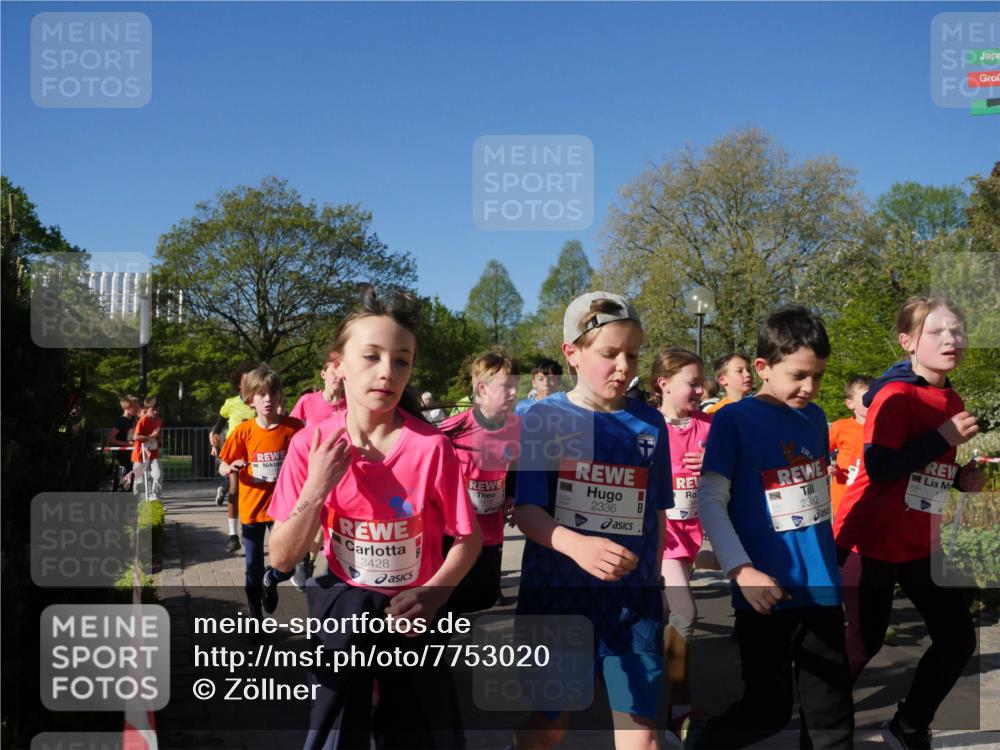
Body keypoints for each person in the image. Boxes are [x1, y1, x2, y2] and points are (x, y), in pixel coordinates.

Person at [267, 286, 481, 750]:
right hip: (344, 604)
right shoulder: (311, 444)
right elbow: (282, 558)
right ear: (338, 365)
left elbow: (468, 538)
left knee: (424, 733)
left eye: (401, 360)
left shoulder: (430, 447)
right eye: (371, 356)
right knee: (335, 730)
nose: (387, 372)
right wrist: (318, 486)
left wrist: (435, 593)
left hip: (413, 613)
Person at [513, 291, 672, 750]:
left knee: (643, 736)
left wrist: (656, 581)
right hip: (558, 599)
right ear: (573, 354)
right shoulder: (546, 417)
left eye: (633, 354)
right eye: (609, 354)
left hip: (632, 601)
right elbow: (526, 511)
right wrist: (576, 545)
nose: (624, 366)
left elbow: (654, 512)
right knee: (550, 725)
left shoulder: (649, 424)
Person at [693, 305, 853, 750]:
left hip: (821, 589)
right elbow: (710, 499)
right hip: (764, 593)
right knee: (768, 709)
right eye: (799, 375)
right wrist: (740, 570)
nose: (810, 387)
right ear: (762, 367)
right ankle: (703, 744)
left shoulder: (817, 418)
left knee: (832, 715)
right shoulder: (733, 419)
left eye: (818, 376)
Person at [833, 296, 983, 750]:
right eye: (937, 331)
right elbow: (880, 466)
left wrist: (959, 477)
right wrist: (942, 437)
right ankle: (818, 734)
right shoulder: (895, 395)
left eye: (956, 331)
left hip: (919, 543)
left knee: (957, 640)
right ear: (908, 341)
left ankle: (909, 725)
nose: (950, 339)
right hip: (869, 542)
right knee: (861, 647)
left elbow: (922, 467)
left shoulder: (950, 397)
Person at [649, 348, 711, 743]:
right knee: (685, 612)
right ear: (664, 384)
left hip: (694, 534)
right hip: (662, 537)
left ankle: (645, 677)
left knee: (664, 612)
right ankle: (678, 708)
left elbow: (729, 472)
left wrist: (711, 466)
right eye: (693, 382)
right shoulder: (648, 426)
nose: (700, 389)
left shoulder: (710, 425)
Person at [218, 364, 304, 623]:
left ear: (280, 396)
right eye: (261, 394)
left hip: (284, 509)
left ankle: (273, 578)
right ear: (250, 399)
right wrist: (229, 467)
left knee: (288, 563)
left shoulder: (294, 427)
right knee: (252, 568)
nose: (268, 399)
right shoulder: (243, 431)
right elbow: (223, 463)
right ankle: (255, 618)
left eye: (272, 393)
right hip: (253, 509)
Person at [439, 350, 521, 613]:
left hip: (492, 530)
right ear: (482, 389)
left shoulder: (518, 427)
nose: (513, 394)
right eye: (506, 387)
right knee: (446, 606)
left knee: (481, 601)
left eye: (516, 387)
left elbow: (518, 465)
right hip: (453, 534)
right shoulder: (452, 428)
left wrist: (512, 494)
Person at [210, 362, 257, 553]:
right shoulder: (230, 403)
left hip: (256, 453)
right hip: (234, 452)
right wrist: (215, 441)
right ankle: (232, 536)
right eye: (247, 380)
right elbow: (217, 428)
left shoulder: (259, 400)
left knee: (253, 493)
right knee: (235, 490)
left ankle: (251, 531)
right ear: (239, 384)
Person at [828, 375, 873, 517]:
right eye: (866, 398)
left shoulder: (886, 428)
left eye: (875, 397)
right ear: (850, 403)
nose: (871, 401)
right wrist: (824, 466)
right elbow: (817, 451)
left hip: (874, 499)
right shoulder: (840, 427)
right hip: (844, 501)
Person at [291, 358, 345, 425]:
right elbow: (290, 428)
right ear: (323, 374)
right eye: (334, 372)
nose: (339, 377)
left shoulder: (352, 403)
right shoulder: (307, 400)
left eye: (342, 373)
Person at [131, 396, 163, 501]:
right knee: (139, 479)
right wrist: (151, 436)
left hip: (153, 452)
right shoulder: (142, 420)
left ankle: (155, 497)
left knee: (158, 474)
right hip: (140, 453)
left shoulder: (158, 420)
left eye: (157, 409)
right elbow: (136, 437)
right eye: (152, 409)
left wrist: (158, 439)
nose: (155, 411)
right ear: (146, 409)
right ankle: (137, 497)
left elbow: (157, 434)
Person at [107, 395, 139, 487]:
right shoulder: (121, 421)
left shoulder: (131, 420)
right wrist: (127, 444)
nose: (137, 408)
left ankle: (126, 491)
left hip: (128, 453)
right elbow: (110, 438)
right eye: (135, 406)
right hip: (121, 453)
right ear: (128, 408)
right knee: (127, 472)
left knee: (131, 472)